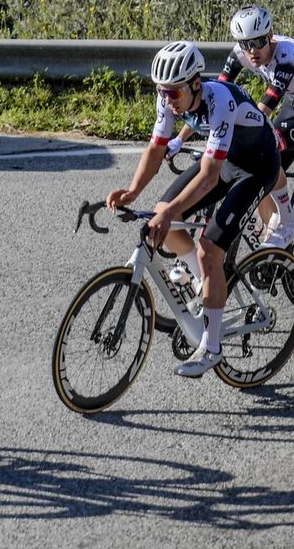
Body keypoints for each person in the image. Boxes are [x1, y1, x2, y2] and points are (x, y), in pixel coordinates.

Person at [107, 42, 283, 378]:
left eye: (174, 93)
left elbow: (208, 177)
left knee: (207, 250)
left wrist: (169, 213)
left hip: (258, 166)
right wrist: (132, 191)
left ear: (196, 84)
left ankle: (212, 347)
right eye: (163, 92)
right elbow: (156, 149)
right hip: (226, 160)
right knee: (164, 217)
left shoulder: (220, 102)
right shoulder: (170, 99)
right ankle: (208, 284)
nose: (168, 101)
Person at [207, 5, 294, 246]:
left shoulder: (286, 56)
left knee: (264, 151)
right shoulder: (240, 52)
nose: (252, 50)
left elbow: (264, 108)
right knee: (262, 175)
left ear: (270, 36)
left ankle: (288, 223)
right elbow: (219, 93)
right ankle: (275, 233)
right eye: (245, 43)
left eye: (259, 41)